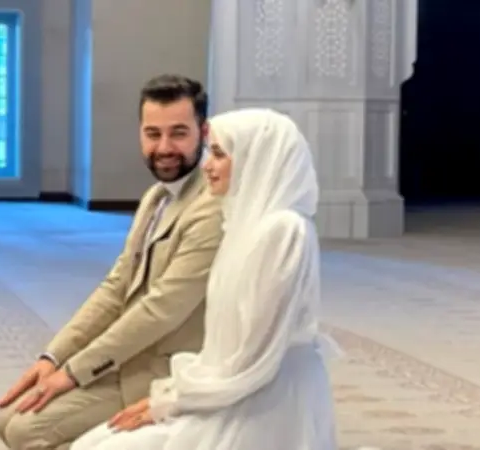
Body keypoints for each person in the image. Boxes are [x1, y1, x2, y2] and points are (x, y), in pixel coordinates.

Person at [70, 108, 343, 450]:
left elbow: (256, 358)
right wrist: (169, 394)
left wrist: (171, 403)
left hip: (265, 402)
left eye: (218, 154)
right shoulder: (243, 226)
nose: (207, 166)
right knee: (97, 441)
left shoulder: (283, 231)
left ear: (255, 160)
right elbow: (223, 349)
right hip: (227, 389)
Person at [0, 74, 224, 450]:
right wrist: (54, 356)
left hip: (163, 373)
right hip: (126, 358)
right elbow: (116, 288)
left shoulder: (210, 208)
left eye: (178, 133)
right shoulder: (156, 197)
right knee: (8, 419)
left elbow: (159, 310)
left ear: (203, 132)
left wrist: (74, 373)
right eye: (153, 134)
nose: (164, 147)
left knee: (26, 431)